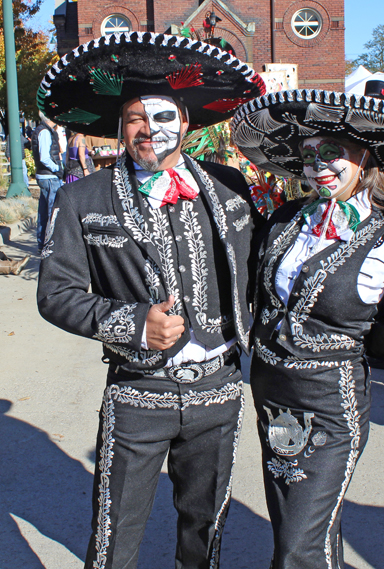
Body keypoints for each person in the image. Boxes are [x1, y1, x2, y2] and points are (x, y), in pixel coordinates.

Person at [36, 31, 265, 569]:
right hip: (138, 394)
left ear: (185, 122)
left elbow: (265, 267)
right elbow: (56, 295)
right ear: (121, 124)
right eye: (136, 117)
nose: (148, 128)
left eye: (162, 116)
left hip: (218, 389)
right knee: (115, 534)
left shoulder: (229, 185)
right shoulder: (80, 198)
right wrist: (133, 324)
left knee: (205, 531)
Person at [232, 86, 384, 569]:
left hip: (331, 404)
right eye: (307, 156)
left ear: (363, 155)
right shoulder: (286, 221)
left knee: (297, 545)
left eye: (332, 153)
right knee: (302, 527)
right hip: (271, 395)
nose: (317, 166)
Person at [31, 112, 64, 252]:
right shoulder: (45, 132)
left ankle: (42, 244)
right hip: (49, 177)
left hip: (45, 176)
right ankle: (49, 245)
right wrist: (57, 168)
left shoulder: (42, 130)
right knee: (52, 212)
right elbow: (45, 157)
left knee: (44, 212)